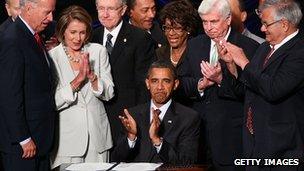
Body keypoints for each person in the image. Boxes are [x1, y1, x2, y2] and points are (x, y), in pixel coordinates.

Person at [221, 0, 304, 170]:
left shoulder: (299, 52)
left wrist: (244, 62)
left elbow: (273, 89)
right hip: (254, 146)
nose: (262, 29)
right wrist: (232, 67)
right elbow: (248, 89)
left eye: (266, 24)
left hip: (283, 151)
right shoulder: (264, 48)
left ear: (284, 24)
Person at [179, 0, 259, 170]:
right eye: (204, 22)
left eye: (213, 21)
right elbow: (181, 82)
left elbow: (251, 92)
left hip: (230, 137)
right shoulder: (194, 44)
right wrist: (202, 83)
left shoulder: (248, 47)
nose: (208, 27)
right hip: (197, 135)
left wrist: (221, 80)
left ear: (228, 19)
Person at [48, 5, 114, 169]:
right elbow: (52, 102)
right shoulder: (52, 57)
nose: (78, 38)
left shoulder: (98, 51)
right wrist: (77, 81)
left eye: (82, 32)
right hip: (66, 141)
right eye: (73, 32)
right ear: (63, 31)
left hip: (97, 138)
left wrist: (93, 79)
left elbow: (110, 92)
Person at [0, 0, 56, 170]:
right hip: (23, 146)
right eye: (47, 12)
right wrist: (23, 138)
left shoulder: (32, 35)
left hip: (40, 139)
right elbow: (9, 95)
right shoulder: (12, 39)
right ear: (29, 8)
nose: (50, 18)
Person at [92, 0, 155, 148]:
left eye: (111, 9)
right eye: (101, 9)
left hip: (126, 117)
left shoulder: (140, 38)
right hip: (96, 117)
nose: (105, 14)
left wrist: (138, 120)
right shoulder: (91, 37)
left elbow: (144, 85)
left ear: (123, 10)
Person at [112, 60, 200, 164]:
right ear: (147, 83)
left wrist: (157, 140)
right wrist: (131, 137)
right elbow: (116, 159)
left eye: (166, 81)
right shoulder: (132, 115)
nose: (159, 87)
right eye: (154, 81)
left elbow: (187, 163)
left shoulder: (188, 118)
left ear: (175, 84)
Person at [156, 0, 199, 106]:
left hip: (192, 111)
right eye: (167, 28)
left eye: (177, 28)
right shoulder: (159, 53)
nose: (171, 33)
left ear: (188, 29)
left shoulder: (197, 52)